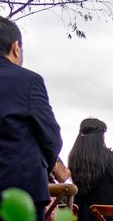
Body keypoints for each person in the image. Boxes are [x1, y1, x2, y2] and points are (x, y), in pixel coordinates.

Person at [0, 17, 63, 221]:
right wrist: (45, 165)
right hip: (20, 190)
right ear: (16, 47)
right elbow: (50, 137)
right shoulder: (29, 81)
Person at [68, 118, 113, 221]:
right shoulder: (106, 156)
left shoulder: (73, 157)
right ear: (99, 137)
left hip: (81, 216)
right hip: (106, 215)